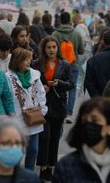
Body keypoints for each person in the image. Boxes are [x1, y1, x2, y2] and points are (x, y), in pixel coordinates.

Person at [32, 36, 73, 180]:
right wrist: (41, 88)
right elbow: (30, 83)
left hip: (58, 105)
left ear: (58, 48)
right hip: (42, 106)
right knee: (44, 137)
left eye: (54, 47)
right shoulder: (36, 64)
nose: (51, 50)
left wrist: (58, 83)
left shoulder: (65, 64)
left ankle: (51, 166)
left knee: (55, 138)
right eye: (48, 47)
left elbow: (71, 84)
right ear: (44, 49)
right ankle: (43, 166)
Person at [6, 48, 47, 170]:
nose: (29, 62)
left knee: (33, 150)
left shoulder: (35, 74)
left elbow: (41, 93)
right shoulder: (8, 77)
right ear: (17, 61)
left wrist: (42, 110)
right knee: (17, 152)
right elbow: (8, 97)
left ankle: (28, 175)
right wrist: (12, 115)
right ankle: (15, 175)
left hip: (34, 118)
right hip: (17, 119)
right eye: (26, 59)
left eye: (29, 59)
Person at [52, 12, 85, 123]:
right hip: (73, 64)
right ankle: (68, 114)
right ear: (69, 20)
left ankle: (60, 110)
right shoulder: (76, 33)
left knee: (59, 87)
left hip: (59, 65)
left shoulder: (55, 34)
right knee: (72, 88)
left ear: (60, 20)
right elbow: (81, 51)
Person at [84, 29, 110, 98]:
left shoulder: (93, 60)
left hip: (99, 100)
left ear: (103, 41)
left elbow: (89, 82)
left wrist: (96, 98)